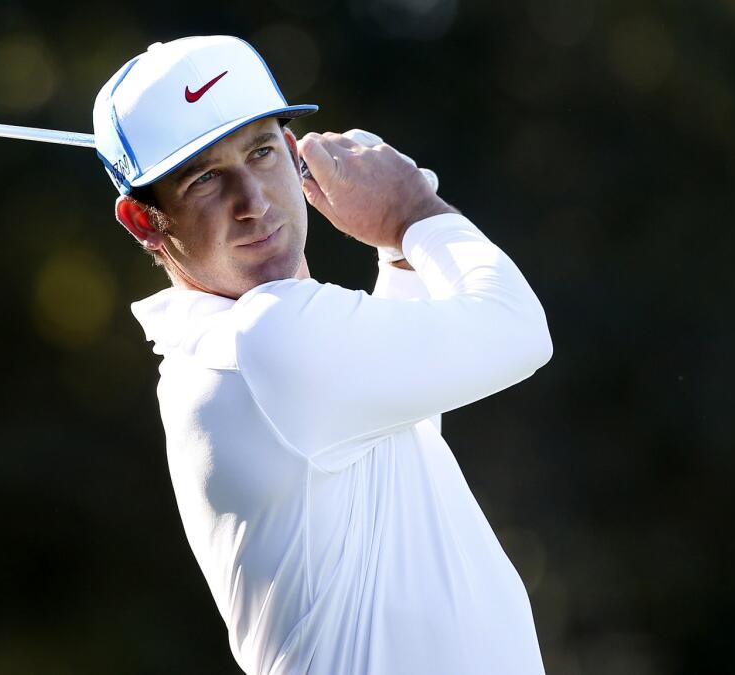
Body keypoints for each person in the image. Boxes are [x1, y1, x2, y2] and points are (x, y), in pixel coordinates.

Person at [93, 36, 552, 674]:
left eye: (260, 153)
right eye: (204, 179)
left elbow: (409, 405)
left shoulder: (245, 349)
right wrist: (415, 212)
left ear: (292, 151)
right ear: (144, 221)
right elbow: (518, 332)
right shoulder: (263, 341)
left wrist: (398, 249)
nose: (253, 203)